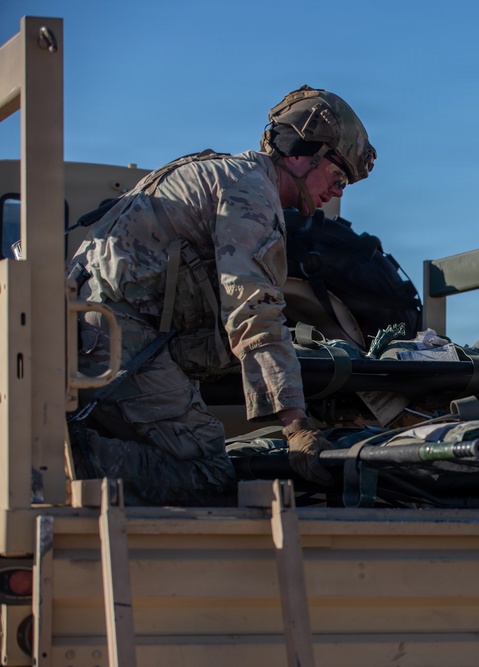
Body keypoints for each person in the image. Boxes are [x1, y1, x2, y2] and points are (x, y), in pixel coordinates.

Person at [67, 85, 377, 505]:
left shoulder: (224, 173)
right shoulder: (252, 194)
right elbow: (252, 307)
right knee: (209, 471)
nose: (338, 191)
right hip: (115, 337)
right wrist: (296, 425)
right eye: (338, 177)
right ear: (303, 154)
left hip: (95, 330)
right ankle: (68, 459)